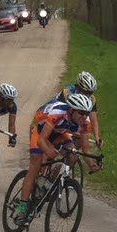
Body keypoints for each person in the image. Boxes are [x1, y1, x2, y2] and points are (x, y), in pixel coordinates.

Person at [14, 92, 97, 220]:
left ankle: (49, 183)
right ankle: (22, 208)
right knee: (35, 166)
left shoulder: (85, 122)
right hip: (40, 130)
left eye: (86, 113)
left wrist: (92, 165)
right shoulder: (58, 113)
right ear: (71, 110)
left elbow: (86, 150)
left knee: (73, 155)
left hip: (59, 132)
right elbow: (41, 141)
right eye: (81, 113)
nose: (84, 116)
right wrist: (47, 150)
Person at [52, 71, 101, 145]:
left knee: (81, 139)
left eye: (90, 93)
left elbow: (93, 120)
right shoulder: (66, 93)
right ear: (78, 87)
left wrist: (97, 137)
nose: (88, 95)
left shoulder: (92, 99)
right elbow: (57, 114)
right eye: (85, 92)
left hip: (74, 121)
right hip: (60, 121)